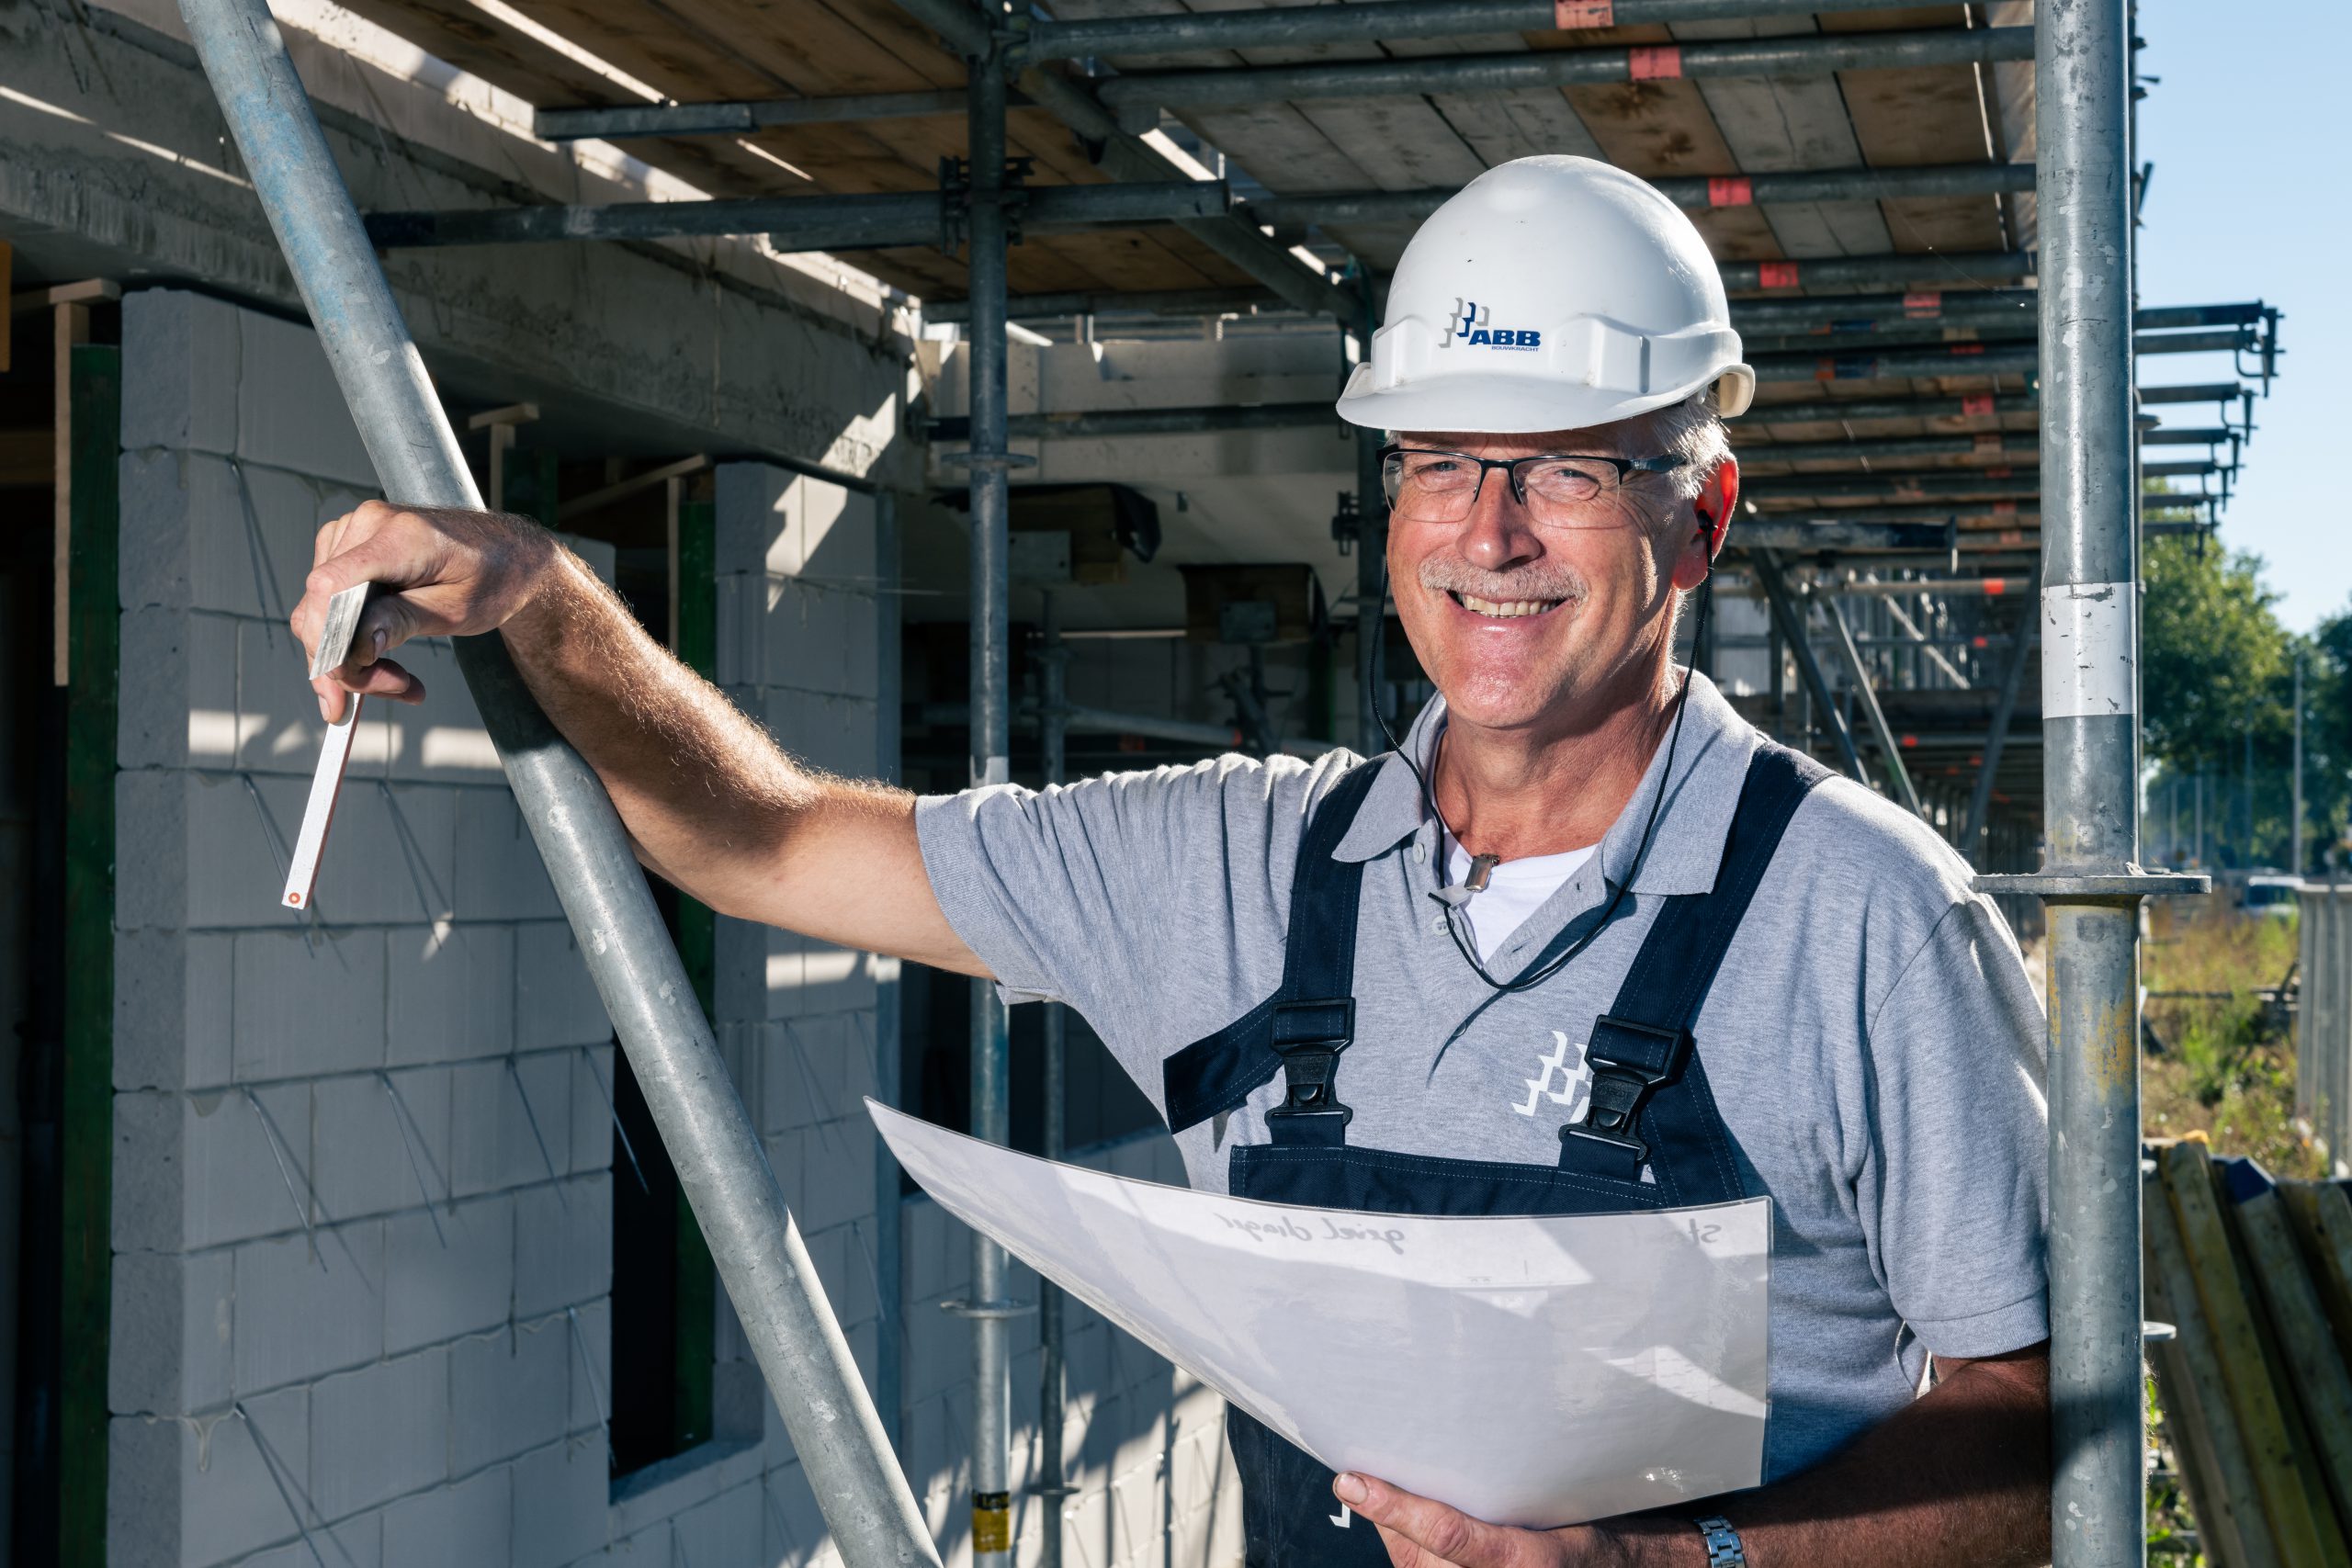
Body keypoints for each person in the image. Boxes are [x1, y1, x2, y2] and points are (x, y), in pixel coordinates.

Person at [293, 156, 2052, 1568]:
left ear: (1704, 513)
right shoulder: (1239, 866)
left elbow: (2042, 1431)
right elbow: (761, 845)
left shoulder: (1866, 916)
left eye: (1570, 472)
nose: (1491, 533)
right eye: (1441, 464)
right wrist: (540, 596)